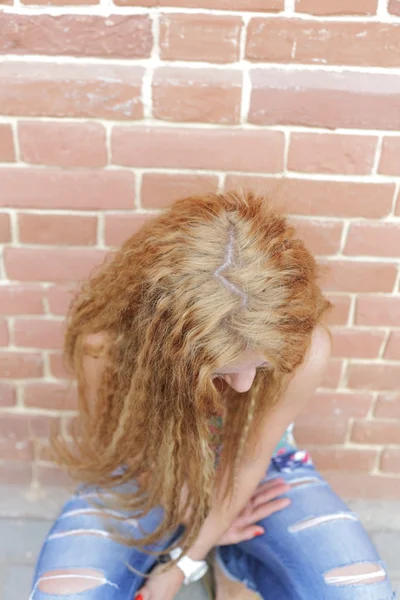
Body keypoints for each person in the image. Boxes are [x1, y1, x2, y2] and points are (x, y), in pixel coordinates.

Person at [30, 191, 395, 600]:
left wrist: (184, 561)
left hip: (260, 469)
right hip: (148, 468)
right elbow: (122, 445)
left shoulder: (306, 349)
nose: (242, 386)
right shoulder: (105, 348)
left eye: (259, 368)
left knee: (361, 592)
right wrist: (187, 505)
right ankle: (233, 557)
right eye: (221, 372)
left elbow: (251, 460)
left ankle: (230, 561)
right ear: (161, 348)